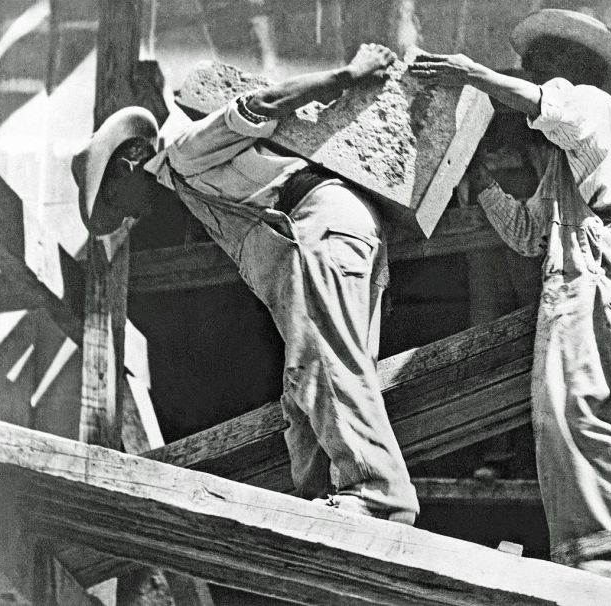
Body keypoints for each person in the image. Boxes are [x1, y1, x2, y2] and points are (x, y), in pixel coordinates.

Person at [72, 43, 420, 525]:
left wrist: (348, 73)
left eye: (117, 198)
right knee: (306, 384)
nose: (128, 213)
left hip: (320, 229)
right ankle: (328, 501)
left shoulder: (184, 153)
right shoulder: (187, 186)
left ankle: (377, 492)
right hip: (338, 233)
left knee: (322, 360)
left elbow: (262, 106)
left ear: (130, 159)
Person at [409, 9, 611, 586]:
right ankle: (594, 549)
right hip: (569, 281)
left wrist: (475, 75)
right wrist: (483, 185)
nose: (533, 68)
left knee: (582, 409)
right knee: (561, 417)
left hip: (594, 280)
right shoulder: (561, 163)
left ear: (573, 65)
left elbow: (551, 106)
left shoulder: (593, 107)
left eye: (544, 59)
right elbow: (529, 233)